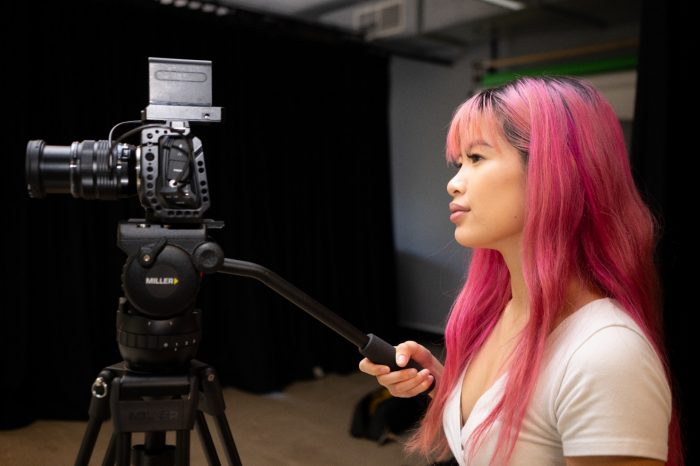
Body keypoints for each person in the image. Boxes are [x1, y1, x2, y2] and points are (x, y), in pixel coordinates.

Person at [359, 76, 683, 466]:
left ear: (552, 170)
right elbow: (521, 430)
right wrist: (440, 386)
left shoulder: (606, 355)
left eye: (476, 158)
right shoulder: (502, 311)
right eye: (459, 162)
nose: (453, 184)